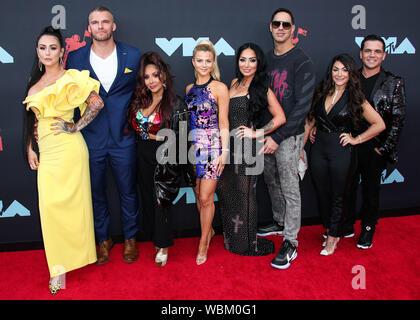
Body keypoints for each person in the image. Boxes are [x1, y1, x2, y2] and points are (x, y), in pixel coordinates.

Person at [23, 26, 104, 295]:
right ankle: (58, 268)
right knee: (50, 210)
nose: (47, 52)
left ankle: (68, 262)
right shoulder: (34, 84)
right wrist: (29, 147)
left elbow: (97, 103)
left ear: (62, 51)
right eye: (43, 47)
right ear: (37, 51)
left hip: (69, 150)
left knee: (72, 207)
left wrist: (75, 126)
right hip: (45, 152)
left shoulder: (71, 78)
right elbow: (31, 119)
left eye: (53, 48)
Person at [66, 6, 141, 264]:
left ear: (113, 26)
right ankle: (103, 240)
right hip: (91, 138)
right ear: (89, 28)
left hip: (124, 136)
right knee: (96, 192)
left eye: (105, 22)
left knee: (128, 190)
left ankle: (131, 238)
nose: (100, 26)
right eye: (95, 23)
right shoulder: (75, 59)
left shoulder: (131, 55)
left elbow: (142, 93)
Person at [304, 53, 385, 256]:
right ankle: (332, 227)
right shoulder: (322, 92)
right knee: (323, 194)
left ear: (351, 73)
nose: (339, 74)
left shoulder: (356, 98)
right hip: (319, 149)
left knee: (339, 195)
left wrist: (356, 139)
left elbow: (379, 124)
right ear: (330, 71)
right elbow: (310, 122)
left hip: (341, 151)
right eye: (336, 69)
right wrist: (300, 149)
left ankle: (333, 237)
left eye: (344, 70)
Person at [256, 8, 316, 269]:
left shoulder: (302, 61)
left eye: (286, 24)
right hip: (268, 133)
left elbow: (302, 106)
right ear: (271, 27)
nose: (280, 28)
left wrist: (278, 137)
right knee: (271, 181)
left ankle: (290, 241)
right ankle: (280, 222)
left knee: (290, 188)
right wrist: (262, 132)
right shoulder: (267, 59)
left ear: (293, 29)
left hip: (289, 136)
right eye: (276, 23)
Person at [217, 43, 286, 256]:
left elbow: (281, 117)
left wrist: (257, 133)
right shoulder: (234, 83)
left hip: (248, 148)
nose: (247, 64)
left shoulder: (261, 87)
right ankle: (233, 240)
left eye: (252, 60)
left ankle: (248, 244)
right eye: (243, 59)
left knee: (246, 195)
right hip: (229, 146)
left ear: (259, 63)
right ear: (237, 61)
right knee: (229, 193)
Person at [128, 51, 195, 267]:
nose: (152, 81)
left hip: (166, 156)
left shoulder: (176, 103)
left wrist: (157, 137)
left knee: (162, 201)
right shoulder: (140, 99)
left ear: (163, 75)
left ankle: (164, 245)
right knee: (149, 199)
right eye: (147, 77)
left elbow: (183, 138)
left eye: (155, 75)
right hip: (142, 155)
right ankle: (156, 238)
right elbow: (135, 127)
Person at [343, 35, 406, 249]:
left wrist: (383, 149)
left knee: (370, 191)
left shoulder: (393, 82)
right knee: (347, 189)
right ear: (360, 54)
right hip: (350, 144)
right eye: (368, 51)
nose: (372, 55)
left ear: (384, 55)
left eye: (377, 51)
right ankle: (347, 225)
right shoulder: (350, 79)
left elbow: (397, 120)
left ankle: (368, 229)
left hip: (375, 146)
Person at [185, 40, 230, 265]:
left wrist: (225, 152)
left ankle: (203, 243)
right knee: (198, 198)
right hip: (194, 149)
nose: (204, 65)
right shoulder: (189, 90)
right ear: (193, 62)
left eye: (208, 61)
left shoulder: (220, 88)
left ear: (213, 63)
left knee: (206, 198)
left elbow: (223, 121)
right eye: (200, 60)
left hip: (213, 147)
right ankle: (209, 231)